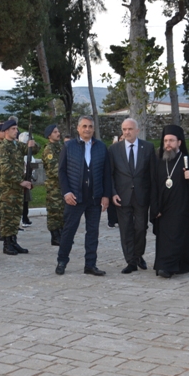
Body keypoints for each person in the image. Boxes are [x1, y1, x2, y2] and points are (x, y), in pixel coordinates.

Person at [55, 116, 112, 276]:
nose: (87, 129)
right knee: (69, 231)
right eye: (84, 126)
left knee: (93, 232)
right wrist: (66, 192)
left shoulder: (101, 147)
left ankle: (90, 265)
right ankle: (62, 261)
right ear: (78, 128)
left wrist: (106, 195)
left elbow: (107, 173)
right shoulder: (69, 146)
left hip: (94, 197)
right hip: (74, 197)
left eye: (90, 126)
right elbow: (62, 171)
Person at [148, 124, 189, 278]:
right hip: (163, 208)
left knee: (178, 237)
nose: (168, 144)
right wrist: (154, 208)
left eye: (171, 141)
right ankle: (179, 264)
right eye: (165, 141)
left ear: (179, 142)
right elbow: (153, 186)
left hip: (182, 208)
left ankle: (167, 267)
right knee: (164, 239)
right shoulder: (158, 161)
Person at [108, 117, 155, 273]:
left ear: (137, 130)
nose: (127, 132)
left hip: (142, 195)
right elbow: (110, 174)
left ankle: (138, 255)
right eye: (124, 129)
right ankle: (131, 261)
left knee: (141, 228)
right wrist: (113, 193)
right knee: (126, 229)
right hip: (122, 196)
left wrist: (153, 195)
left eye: (130, 129)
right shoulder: (114, 149)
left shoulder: (148, 147)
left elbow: (152, 174)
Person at [0, 118, 35, 254]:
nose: (16, 131)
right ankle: (7, 244)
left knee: (15, 216)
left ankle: (13, 241)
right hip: (8, 187)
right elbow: (6, 168)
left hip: (17, 188)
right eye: (13, 129)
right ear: (6, 131)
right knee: (8, 216)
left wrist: (32, 144)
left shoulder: (17, 145)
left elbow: (33, 150)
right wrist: (20, 181)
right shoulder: (3, 147)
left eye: (16, 129)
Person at [41, 125, 64, 246]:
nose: (58, 133)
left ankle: (61, 234)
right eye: (55, 132)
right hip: (54, 186)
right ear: (49, 135)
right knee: (54, 211)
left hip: (62, 185)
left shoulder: (60, 147)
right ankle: (55, 236)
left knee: (61, 210)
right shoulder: (49, 149)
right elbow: (54, 169)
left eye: (58, 131)